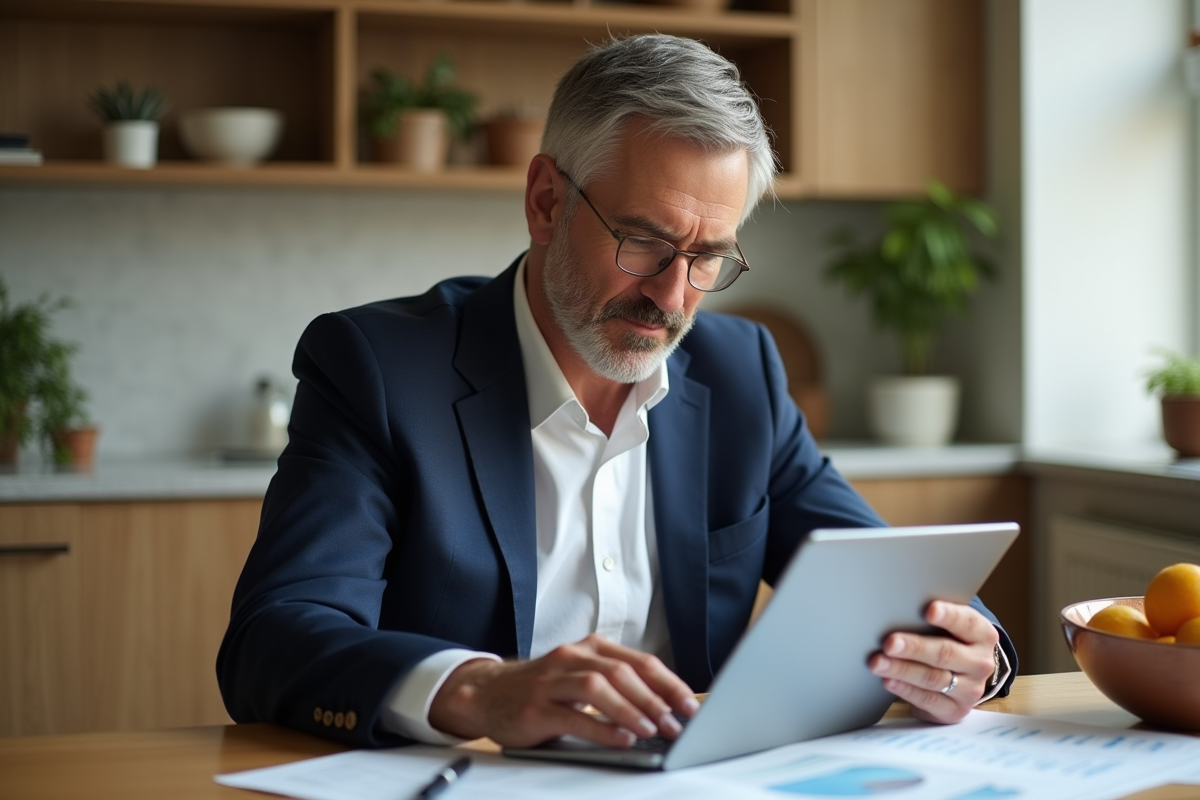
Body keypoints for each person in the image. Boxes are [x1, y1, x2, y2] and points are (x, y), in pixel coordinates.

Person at [217, 33, 1016, 750]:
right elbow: (274, 637)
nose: (673, 298)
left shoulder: (743, 374)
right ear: (545, 202)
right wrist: (480, 689)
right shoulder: (380, 368)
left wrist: (965, 648)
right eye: (645, 242)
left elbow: (888, 580)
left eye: (709, 257)